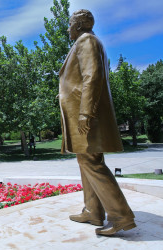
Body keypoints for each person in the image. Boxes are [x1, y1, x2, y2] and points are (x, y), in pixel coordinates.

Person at [59, 9, 135, 236]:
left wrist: (85, 112)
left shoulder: (87, 41)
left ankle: (121, 216)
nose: (68, 28)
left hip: (86, 116)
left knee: (91, 161)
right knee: (86, 159)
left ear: (79, 25)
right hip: (82, 114)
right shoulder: (85, 41)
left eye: (70, 24)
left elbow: (92, 76)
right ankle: (93, 210)